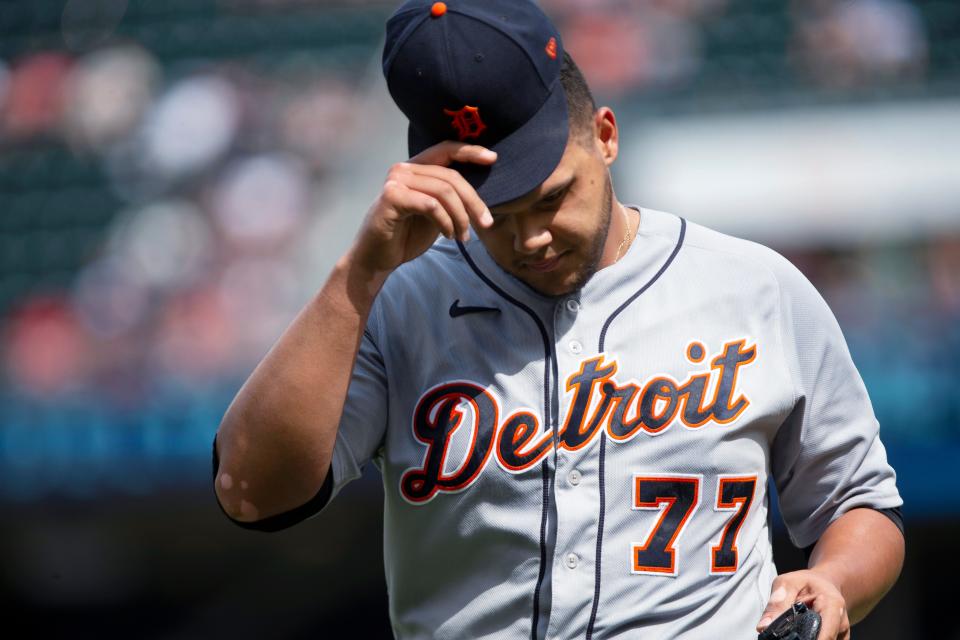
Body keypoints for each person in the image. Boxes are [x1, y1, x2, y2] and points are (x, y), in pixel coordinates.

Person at [212, 1, 905, 638]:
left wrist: (835, 579)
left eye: (550, 198)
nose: (531, 238)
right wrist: (357, 276)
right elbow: (251, 496)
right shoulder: (396, 303)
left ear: (605, 137)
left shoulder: (756, 288)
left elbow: (861, 503)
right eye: (494, 218)